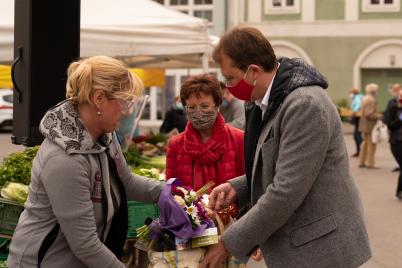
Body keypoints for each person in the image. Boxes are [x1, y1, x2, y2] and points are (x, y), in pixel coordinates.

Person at [199, 26, 371, 268]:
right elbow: (276, 164)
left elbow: (286, 191)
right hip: (304, 241)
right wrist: (238, 187)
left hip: (321, 249)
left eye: (230, 79)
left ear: (253, 72)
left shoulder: (304, 105)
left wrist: (227, 244)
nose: (228, 87)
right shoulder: (267, 100)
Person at [7, 56, 163, 267]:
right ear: (99, 99)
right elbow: (85, 244)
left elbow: (125, 181)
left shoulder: (104, 136)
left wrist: (169, 192)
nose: (127, 111)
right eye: (124, 101)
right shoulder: (64, 160)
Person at [165, 73, 245, 191]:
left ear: (217, 106)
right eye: (191, 107)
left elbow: (247, 186)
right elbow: (171, 190)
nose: (198, 112)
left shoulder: (239, 139)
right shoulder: (176, 144)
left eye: (205, 106)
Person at [382, 83, 402, 199]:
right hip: (397, 142)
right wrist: (400, 119)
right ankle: (399, 192)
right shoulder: (393, 107)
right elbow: (390, 125)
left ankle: (399, 191)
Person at [359, 83, 383, 169]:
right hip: (370, 126)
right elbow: (369, 114)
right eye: (377, 90)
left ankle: (362, 161)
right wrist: (380, 115)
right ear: (373, 91)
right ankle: (370, 163)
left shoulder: (365, 98)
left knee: (365, 144)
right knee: (371, 145)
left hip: (364, 125)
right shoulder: (371, 100)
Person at [383, 83, 401, 172]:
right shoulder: (392, 103)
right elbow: (388, 119)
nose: (394, 91)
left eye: (396, 89)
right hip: (396, 136)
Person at [349, 87, 363, 157]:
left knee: (357, 135)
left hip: (358, 117)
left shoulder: (357, 97)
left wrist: (354, 111)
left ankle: (361, 151)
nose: (350, 95)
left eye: (351, 93)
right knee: (356, 135)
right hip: (358, 117)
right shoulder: (358, 97)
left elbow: (358, 105)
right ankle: (359, 151)